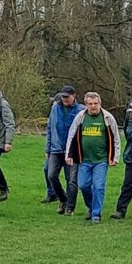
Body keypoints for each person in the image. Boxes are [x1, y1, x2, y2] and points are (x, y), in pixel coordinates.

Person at [65, 92, 120, 224]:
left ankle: (96, 214)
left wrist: (115, 157)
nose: (93, 106)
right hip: (84, 159)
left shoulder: (107, 118)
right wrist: (69, 154)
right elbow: (71, 135)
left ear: (100, 104)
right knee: (83, 185)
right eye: (90, 104)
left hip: (101, 160)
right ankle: (91, 206)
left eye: (96, 103)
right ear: (86, 105)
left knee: (98, 186)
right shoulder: (81, 117)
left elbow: (116, 138)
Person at [44, 86, 83, 214]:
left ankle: (70, 207)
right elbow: (50, 129)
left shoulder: (81, 110)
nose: (64, 99)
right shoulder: (55, 109)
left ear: (74, 96)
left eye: (67, 96)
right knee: (51, 175)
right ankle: (63, 199)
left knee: (71, 179)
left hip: (72, 150)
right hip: (56, 149)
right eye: (63, 96)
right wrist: (47, 148)